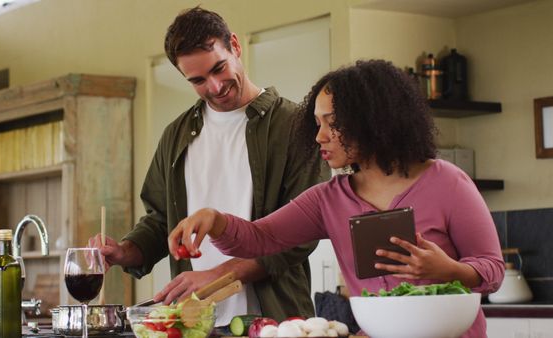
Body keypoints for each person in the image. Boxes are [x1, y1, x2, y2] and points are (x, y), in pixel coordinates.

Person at [168, 60, 505, 337]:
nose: (320, 136)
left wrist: (448, 269)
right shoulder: (328, 199)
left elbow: (492, 269)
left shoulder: (447, 181)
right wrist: (215, 219)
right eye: (317, 123)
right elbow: (261, 238)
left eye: (333, 123)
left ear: (373, 121)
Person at [88, 6, 324, 325]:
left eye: (219, 68)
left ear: (235, 46)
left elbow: (301, 233)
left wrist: (218, 275)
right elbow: (160, 220)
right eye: (198, 80)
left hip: (277, 321)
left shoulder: (297, 127)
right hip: (195, 324)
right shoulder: (176, 135)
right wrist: (125, 251)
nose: (214, 87)